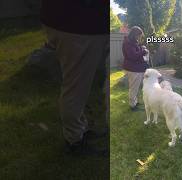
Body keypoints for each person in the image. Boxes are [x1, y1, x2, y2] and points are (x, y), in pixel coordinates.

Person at [41, 0, 107, 156]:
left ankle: (79, 129)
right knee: (76, 87)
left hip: (69, 20)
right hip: (78, 26)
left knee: (77, 84)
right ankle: (74, 140)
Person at [122, 26, 149, 111]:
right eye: (138, 36)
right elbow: (133, 56)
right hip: (133, 69)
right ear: (134, 34)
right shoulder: (128, 42)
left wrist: (142, 48)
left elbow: (136, 51)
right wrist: (143, 51)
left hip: (135, 68)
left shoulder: (132, 41)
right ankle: (132, 105)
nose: (139, 37)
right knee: (133, 88)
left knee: (135, 87)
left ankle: (135, 102)